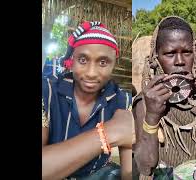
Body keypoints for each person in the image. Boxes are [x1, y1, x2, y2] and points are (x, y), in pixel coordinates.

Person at [132, 16, 196, 179]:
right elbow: (145, 167)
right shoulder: (145, 102)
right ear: (155, 57)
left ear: (195, 53)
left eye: (187, 52)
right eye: (170, 53)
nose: (180, 61)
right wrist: (152, 117)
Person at [42, 21, 133, 180]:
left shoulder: (123, 102)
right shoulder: (47, 92)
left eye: (103, 62)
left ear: (113, 64)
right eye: (83, 60)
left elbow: (128, 172)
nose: (91, 73)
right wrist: (108, 132)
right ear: (72, 60)